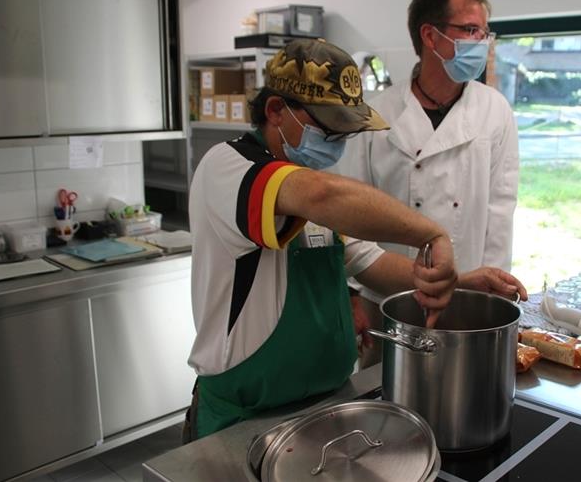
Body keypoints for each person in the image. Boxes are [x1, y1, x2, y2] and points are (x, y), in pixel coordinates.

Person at [183, 38, 526, 441]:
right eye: (329, 131)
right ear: (277, 111)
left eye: (346, 133)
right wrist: (432, 234)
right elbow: (323, 195)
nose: (337, 145)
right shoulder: (231, 167)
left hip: (324, 409)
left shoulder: (306, 188)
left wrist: (463, 280)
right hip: (246, 417)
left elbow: (372, 263)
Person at [332, 0, 521, 366]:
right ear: (430, 35)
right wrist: (351, 296)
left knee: (462, 396)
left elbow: (501, 207)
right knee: (387, 400)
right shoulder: (377, 114)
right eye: (469, 30)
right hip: (385, 300)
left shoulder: (494, 110)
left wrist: (494, 291)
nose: (481, 42)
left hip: (467, 295)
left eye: (485, 33)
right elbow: (348, 216)